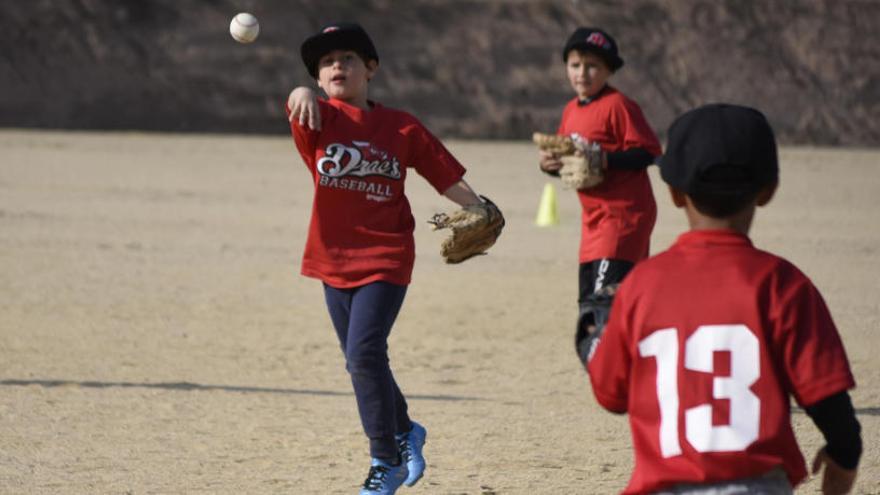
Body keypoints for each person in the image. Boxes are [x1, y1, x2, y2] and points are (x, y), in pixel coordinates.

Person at [586, 103, 862, 494]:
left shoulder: (640, 286)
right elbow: (827, 398)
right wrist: (845, 454)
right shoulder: (783, 284)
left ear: (675, 193)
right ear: (768, 191)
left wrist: (601, 330)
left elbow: (610, 394)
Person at [285, 22, 495, 495]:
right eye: (325, 62)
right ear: (319, 79)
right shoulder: (316, 118)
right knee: (361, 361)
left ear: (371, 68)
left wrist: (477, 207)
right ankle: (407, 430)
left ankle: (386, 459)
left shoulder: (400, 125)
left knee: (363, 353)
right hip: (331, 257)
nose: (336, 66)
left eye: (348, 58)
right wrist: (299, 90)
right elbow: (299, 104)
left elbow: (442, 173)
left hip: (387, 253)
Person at [537, 27, 662, 353]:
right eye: (575, 64)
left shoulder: (619, 105)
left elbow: (648, 152)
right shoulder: (571, 110)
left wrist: (605, 159)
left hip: (624, 216)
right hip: (594, 220)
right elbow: (573, 163)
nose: (583, 73)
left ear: (608, 70)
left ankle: (609, 367)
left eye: (593, 66)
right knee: (588, 301)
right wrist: (550, 165)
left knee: (602, 300)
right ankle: (629, 359)